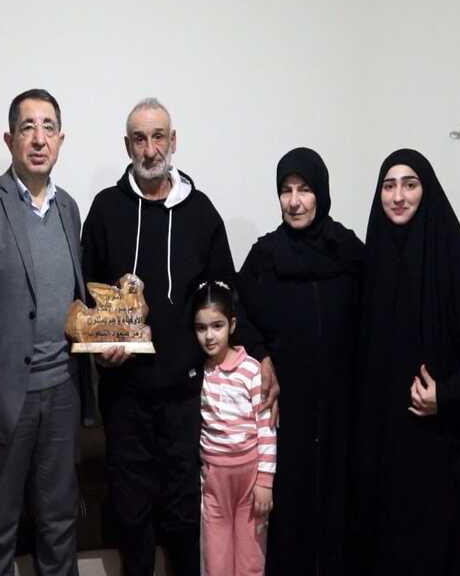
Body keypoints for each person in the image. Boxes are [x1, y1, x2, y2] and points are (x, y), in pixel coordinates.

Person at [81, 97, 278, 576]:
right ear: (127, 145)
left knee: (184, 515)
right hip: (124, 395)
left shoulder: (201, 212)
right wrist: (98, 348)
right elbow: (85, 295)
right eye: (139, 139)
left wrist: (262, 354)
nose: (150, 150)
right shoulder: (106, 209)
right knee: (131, 516)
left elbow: (226, 294)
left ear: (173, 141)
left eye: (158, 137)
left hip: (187, 395)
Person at [0, 89, 93, 575]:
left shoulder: (69, 209)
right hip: (4, 398)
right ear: (9, 139)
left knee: (59, 524)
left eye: (48, 127)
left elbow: (76, 303)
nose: (38, 138)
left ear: (61, 139)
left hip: (62, 393)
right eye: (27, 127)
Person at [350, 149, 460, 575]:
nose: (398, 196)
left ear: (428, 190)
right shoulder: (372, 263)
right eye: (389, 186)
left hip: (439, 445)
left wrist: (447, 395)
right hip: (384, 443)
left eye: (410, 184)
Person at [237, 147, 364, 575]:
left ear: (321, 193)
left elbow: (377, 312)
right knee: (292, 511)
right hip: (287, 408)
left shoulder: (347, 250)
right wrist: (262, 357)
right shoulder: (265, 255)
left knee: (340, 504)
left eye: (304, 190)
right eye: (286, 190)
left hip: (342, 407)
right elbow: (239, 315)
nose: (294, 201)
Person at [192, 281, 276, 576]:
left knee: (251, 558)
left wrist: (265, 482)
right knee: (215, 559)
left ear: (232, 324)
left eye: (217, 326)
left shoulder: (252, 370)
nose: (209, 336)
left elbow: (267, 429)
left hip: (250, 480)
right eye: (201, 328)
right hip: (214, 481)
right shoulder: (199, 372)